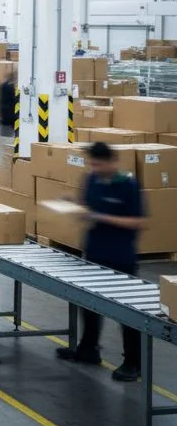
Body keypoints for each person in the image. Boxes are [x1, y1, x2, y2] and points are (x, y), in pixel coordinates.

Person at [57, 142, 145, 381]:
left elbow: (137, 222)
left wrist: (99, 216)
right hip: (94, 253)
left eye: (98, 163)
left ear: (112, 161)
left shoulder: (128, 185)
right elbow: (87, 207)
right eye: (91, 164)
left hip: (120, 258)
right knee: (90, 305)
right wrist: (71, 205)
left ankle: (133, 362)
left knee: (127, 313)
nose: (93, 168)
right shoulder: (91, 179)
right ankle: (88, 349)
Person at [0, 75, 17, 139]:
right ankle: (8, 138)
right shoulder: (11, 87)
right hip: (9, 109)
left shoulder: (2, 85)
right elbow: (13, 99)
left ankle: (3, 138)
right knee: (10, 125)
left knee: (4, 125)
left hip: (3, 108)